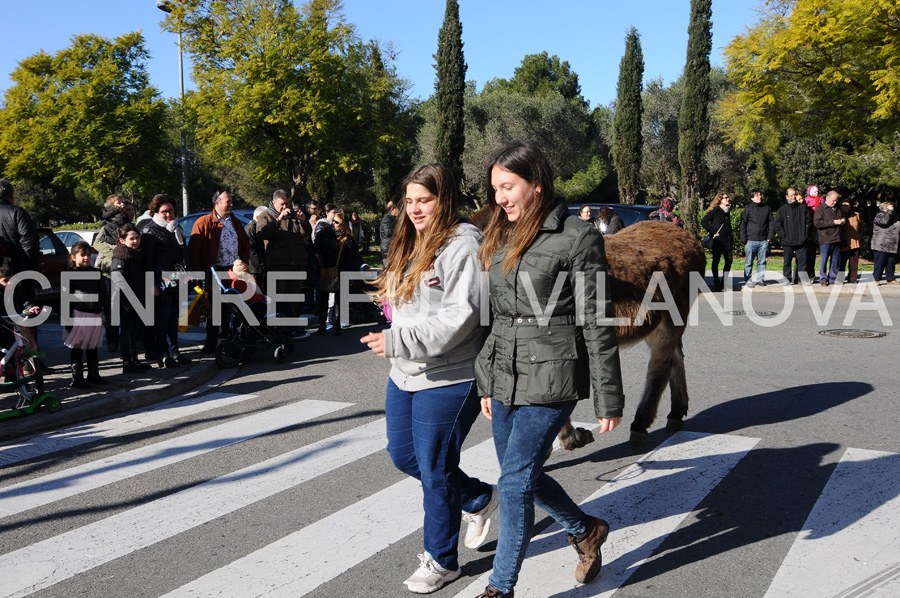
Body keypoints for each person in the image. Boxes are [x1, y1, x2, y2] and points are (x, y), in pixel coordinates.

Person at [474, 141, 624, 598]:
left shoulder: (578, 237)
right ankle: (585, 529)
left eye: (508, 186)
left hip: (555, 376)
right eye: (495, 188)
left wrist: (608, 395)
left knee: (514, 482)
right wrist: (486, 377)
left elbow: (597, 317)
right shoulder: (498, 234)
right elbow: (494, 314)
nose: (499, 197)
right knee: (527, 477)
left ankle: (500, 588)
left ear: (536, 185)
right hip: (504, 377)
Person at [360, 163, 497, 595]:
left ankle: (442, 559)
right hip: (405, 372)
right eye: (410, 201)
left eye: (425, 200)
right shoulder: (410, 237)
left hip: (451, 376)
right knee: (404, 457)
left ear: (446, 199)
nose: (415, 209)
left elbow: (462, 319)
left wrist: (399, 339)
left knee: (436, 470)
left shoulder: (464, 244)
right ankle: (477, 497)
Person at [189, 189, 250, 352]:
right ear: (217, 203)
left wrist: (243, 265)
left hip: (232, 272)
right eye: (227, 201)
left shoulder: (234, 222)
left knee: (230, 308)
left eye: (231, 201)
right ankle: (211, 343)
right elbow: (194, 251)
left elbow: (245, 244)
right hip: (213, 272)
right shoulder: (203, 222)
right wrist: (198, 273)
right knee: (214, 310)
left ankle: (227, 341)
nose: (231, 204)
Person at [0, 179, 45, 371]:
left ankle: (9, 365)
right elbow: (31, 244)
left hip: (3, 277)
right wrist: (28, 271)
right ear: (11, 195)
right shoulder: (17, 213)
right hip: (19, 276)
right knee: (26, 319)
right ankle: (28, 365)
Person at [141, 194, 189, 368]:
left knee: (174, 318)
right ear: (155, 212)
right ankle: (163, 354)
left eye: (171, 211)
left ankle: (175, 352)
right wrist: (152, 283)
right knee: (162, 319)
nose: (169, 215)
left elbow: (183, 252)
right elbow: (148, 261)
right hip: (161, 278)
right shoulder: (149, 231)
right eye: (164, 212)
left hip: (177, 277)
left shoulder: (175, 227)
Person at [255, 190, 310, 333]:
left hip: (296, 263)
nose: (285, 207)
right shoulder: (266, 215)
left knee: (294, 298)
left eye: (287, 203)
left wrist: (304, 221)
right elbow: (262, 234)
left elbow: (306, 234)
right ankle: (277, 330)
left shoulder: (293, 216)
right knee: (278, 299)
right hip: (278, 265)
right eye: (282, 204)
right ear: (274, 203)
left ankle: (290, 329)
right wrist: (278, 220)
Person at [63, 241, 110, 387]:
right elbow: (66, 299)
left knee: (92, 346)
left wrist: (108, 315)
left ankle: (93, 374)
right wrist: (68, 320)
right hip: (80, 315)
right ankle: (77, 378)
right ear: (73, 257)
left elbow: (104, 295)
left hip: (95, 314)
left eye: (88, 255)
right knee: (77, 347)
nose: (86, 258)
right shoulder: (69, 274)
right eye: (82, 255)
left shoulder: (96, 273)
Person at [110, 223, 151, 373]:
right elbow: (119, 281)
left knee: (133, 331)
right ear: (122, 240)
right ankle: (128, 362)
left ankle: (134, 359)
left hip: (138, 297)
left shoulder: (137, 254)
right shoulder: (120, 256)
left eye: (137, 238)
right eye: (131, 238)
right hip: (126, 300)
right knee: (127, 331)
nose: (135, 241)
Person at [93, 194, 130, 353]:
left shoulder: (127, 222)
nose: (122, 204)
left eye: (122, 201)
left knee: (127, 307)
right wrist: (113, 252)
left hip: (127, 269)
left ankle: (127, 340)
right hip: (110, 271)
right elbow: (97, 243)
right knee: (112, 308)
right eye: (119, 202)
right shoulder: (106, 225)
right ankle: (112, 340)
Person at [773, 188, 810, 285]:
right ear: (786, 197)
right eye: (791, 195)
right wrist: (783, 236)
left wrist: (805, 234)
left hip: (802, 240)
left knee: (802, 262)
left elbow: (808, 222)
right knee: (787, 262)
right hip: (787, 241)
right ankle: (787, 279)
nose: (793, 197)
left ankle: (802, 279)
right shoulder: (782, 210)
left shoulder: (803, 208)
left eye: (794, 195)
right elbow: (777, 225)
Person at [739, 190, 774, 288]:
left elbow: (771, 223)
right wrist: (744, 239)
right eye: (756, 195)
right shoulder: (748, 209)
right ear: (751, 198)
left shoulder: (766, 208)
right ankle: (747, 279)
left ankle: (760, 279)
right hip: (750, 240)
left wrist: (769, 238)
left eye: (759, 195)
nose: (759, 197)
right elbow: (743, 224)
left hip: (763, 240)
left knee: (762, 262)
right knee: (748, 262)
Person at [701, 192, 734, 291]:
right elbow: (704, 222)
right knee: (716, 262)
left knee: (729, 261)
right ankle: (717, 283)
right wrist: (713, 231)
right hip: (718, 241)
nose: (727, 199)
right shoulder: (716, 211)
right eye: (725, 198)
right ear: (719, 200)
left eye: (728, 197)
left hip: (727, 241)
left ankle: (724, 282)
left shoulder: (727, 211)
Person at [813, 190, 845, 286]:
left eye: (836, 201)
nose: (835, 202)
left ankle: (833, 278)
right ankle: (823, 278)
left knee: (835, 260)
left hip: (837, 238)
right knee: (824, 260)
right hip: (825, 238)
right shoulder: (821, 208)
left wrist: (843, 220)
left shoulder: (838, 209)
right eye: (833, 200)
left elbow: (843, 216)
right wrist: (834, 222)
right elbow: (817, 223)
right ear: (827, 198)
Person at [871, 201, 899, 285]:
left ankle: (890, 278)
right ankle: (876, 278)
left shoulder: (893, 217)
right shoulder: (879, 216)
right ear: (885, 208)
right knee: (880, 262)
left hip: (892, 244)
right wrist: (889, 212)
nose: (893, 208)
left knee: (891, 262)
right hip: (881, 244)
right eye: (891, 207)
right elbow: (884, 222)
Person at [245, 205, 268, 290]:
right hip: (256, 269)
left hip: (261, 267)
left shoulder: (259, 228)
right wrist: (261, 264)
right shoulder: (251, 229)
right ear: (258, 217)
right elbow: (250, 249)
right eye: (265, 217)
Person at [803, 185, 823, 281]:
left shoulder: (820, 200)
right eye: (814, 192)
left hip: (816, 228)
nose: (816, 193)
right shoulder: (806, 201)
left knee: (812, 253)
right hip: (808, 227)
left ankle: (811, 274)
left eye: (817, 191)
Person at [839, 200, 862, 283]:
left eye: (847, 205)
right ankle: (840, 278)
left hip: (855, 242)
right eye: (844, 205)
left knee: (854, 262)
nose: (846, 207)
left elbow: (859, 226)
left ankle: (852, 278)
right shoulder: (839, 214)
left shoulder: (856, 215)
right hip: (843, 241)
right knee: (842, 262)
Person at [380, 199, 400, 265]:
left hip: (394, 249)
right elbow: (388, 232)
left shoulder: (395, 218)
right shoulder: (387, 218)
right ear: (392, 209)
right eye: (398, 208)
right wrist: (400, 230)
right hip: (388, 250)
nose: (400, 211)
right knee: (389, 271)